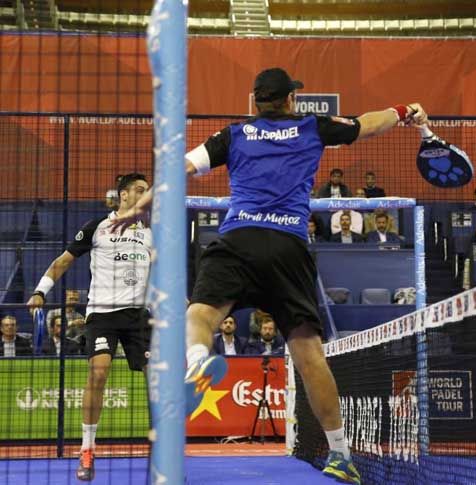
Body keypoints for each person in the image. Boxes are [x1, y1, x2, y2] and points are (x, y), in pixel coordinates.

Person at [113, 67, 428, 484]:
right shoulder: (311, 127)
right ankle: (340, 456)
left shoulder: (235, 134)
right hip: (287, 245)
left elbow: (180, 167)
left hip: (237, 236)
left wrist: (143, 201)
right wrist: (404, 110)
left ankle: (196, 361)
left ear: (255, 102)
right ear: (290, 100)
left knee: (202, 313)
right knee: (309, 354)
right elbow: (367, 125)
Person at [27, 173, 152, 481]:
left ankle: (163, 451)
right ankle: (87, 449)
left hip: (139, 316)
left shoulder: (151, 233)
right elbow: (63, 261)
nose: (144, 195)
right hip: (103, 314)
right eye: (139, 190)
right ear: (123, 195)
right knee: (98, 372)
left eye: (147, 191)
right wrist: (40, 291)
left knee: (158, 382)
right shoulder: (97, 227)